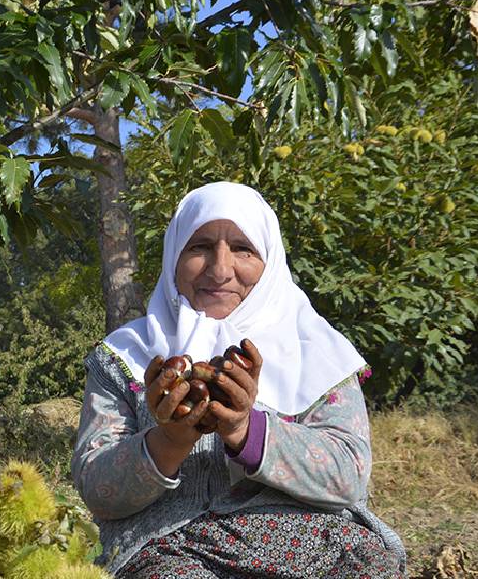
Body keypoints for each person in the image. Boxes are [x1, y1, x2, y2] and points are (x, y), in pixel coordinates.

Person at [71, 182, 406, 578]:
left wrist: (247, 432)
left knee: (368, 565)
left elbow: (348, 476)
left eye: (243, 249)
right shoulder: (126, 357)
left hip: (308, 543)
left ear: (269, 261)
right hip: (172, 545)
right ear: (174, 258)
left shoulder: (316, 350)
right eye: (199, 247)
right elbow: (97, 490)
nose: (220, 269)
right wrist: (169, 441)